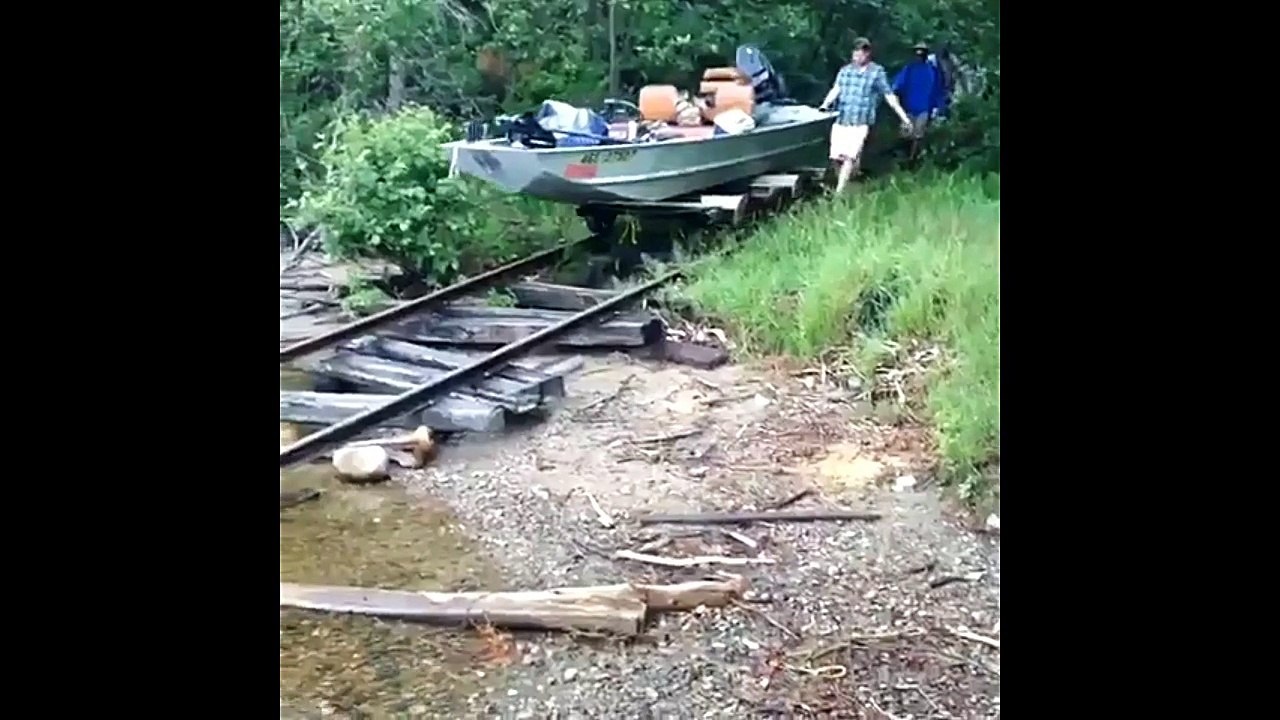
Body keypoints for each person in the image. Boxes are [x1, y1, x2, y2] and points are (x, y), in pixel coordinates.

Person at [818, 38, 913, 192]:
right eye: (855, 53)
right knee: (836, 157)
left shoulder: (876, 72)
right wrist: (825, 105)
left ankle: (839, 192)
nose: (856, 57)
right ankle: (848, 179)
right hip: (842, 119)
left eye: (860, 54)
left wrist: (904, 117)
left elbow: (889, 96)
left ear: (867, 54)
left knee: (849, 157)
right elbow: (836, 89)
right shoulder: (845, 71)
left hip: (861, 121)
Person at [892, 41, 947, 161]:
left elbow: (938, 89)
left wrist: (938, 107)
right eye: (917, 53)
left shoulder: (932, 71)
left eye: (921, 53)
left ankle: (912, 160)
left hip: (924, 108)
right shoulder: (909, 69)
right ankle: (903, 159)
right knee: (906, 133)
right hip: (909, 108)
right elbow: (897, 85)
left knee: (918, 135)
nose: (919, 56)